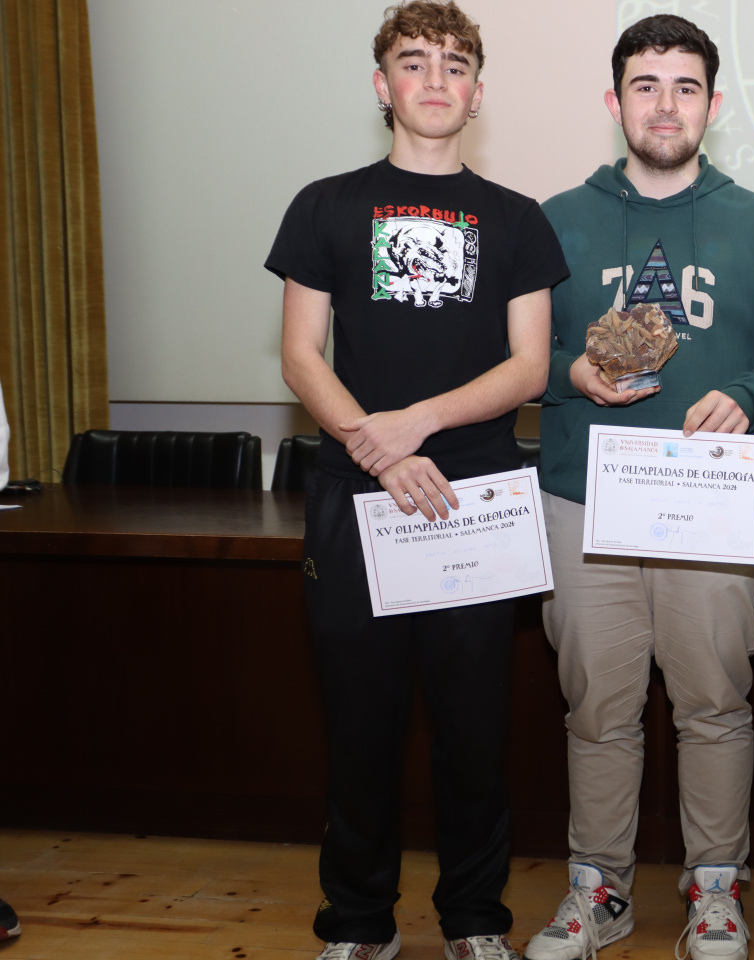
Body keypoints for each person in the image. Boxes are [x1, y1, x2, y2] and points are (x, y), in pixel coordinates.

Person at [266, 4, 566, 959]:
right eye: (414, 61)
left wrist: (421, 424)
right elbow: (300, 356)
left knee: (475, 737)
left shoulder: (519, 220)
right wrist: (380, 451)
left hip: (475, 505)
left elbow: (529, 369)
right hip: (355, 504)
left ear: (477, 89)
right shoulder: (324, 203)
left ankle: (476, 924)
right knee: (360, 732)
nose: (436, 79)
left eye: (455, 64)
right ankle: (357, 926)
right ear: (382, 84)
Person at [524, 15, 754, 960]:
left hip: (709, 503)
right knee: (598, 709)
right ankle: (597, 889)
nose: (665, 103)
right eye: (645, 85)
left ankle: (715, 891)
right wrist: (570, 371)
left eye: (685, 86)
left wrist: (746, 395)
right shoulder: (557, 220)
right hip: (583, 503)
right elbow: (516, 355)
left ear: (714, 105)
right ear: (615, 103)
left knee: (714, 706)